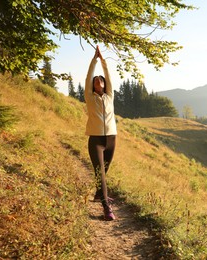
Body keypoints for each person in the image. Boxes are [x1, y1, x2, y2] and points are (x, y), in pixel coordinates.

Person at [85, 46, 117, 221]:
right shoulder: (90, 97)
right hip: (95, 140)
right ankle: (107, 208)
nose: (99, 82)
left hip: (111, 138)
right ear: (93, 85)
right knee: (101, 174)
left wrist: (103, 61)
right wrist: (94, 60)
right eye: (96, 81)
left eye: (101, 80)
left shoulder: (109, 96)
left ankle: (99, 194)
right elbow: (88, 76)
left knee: (103, 171)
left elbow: (109, 76)